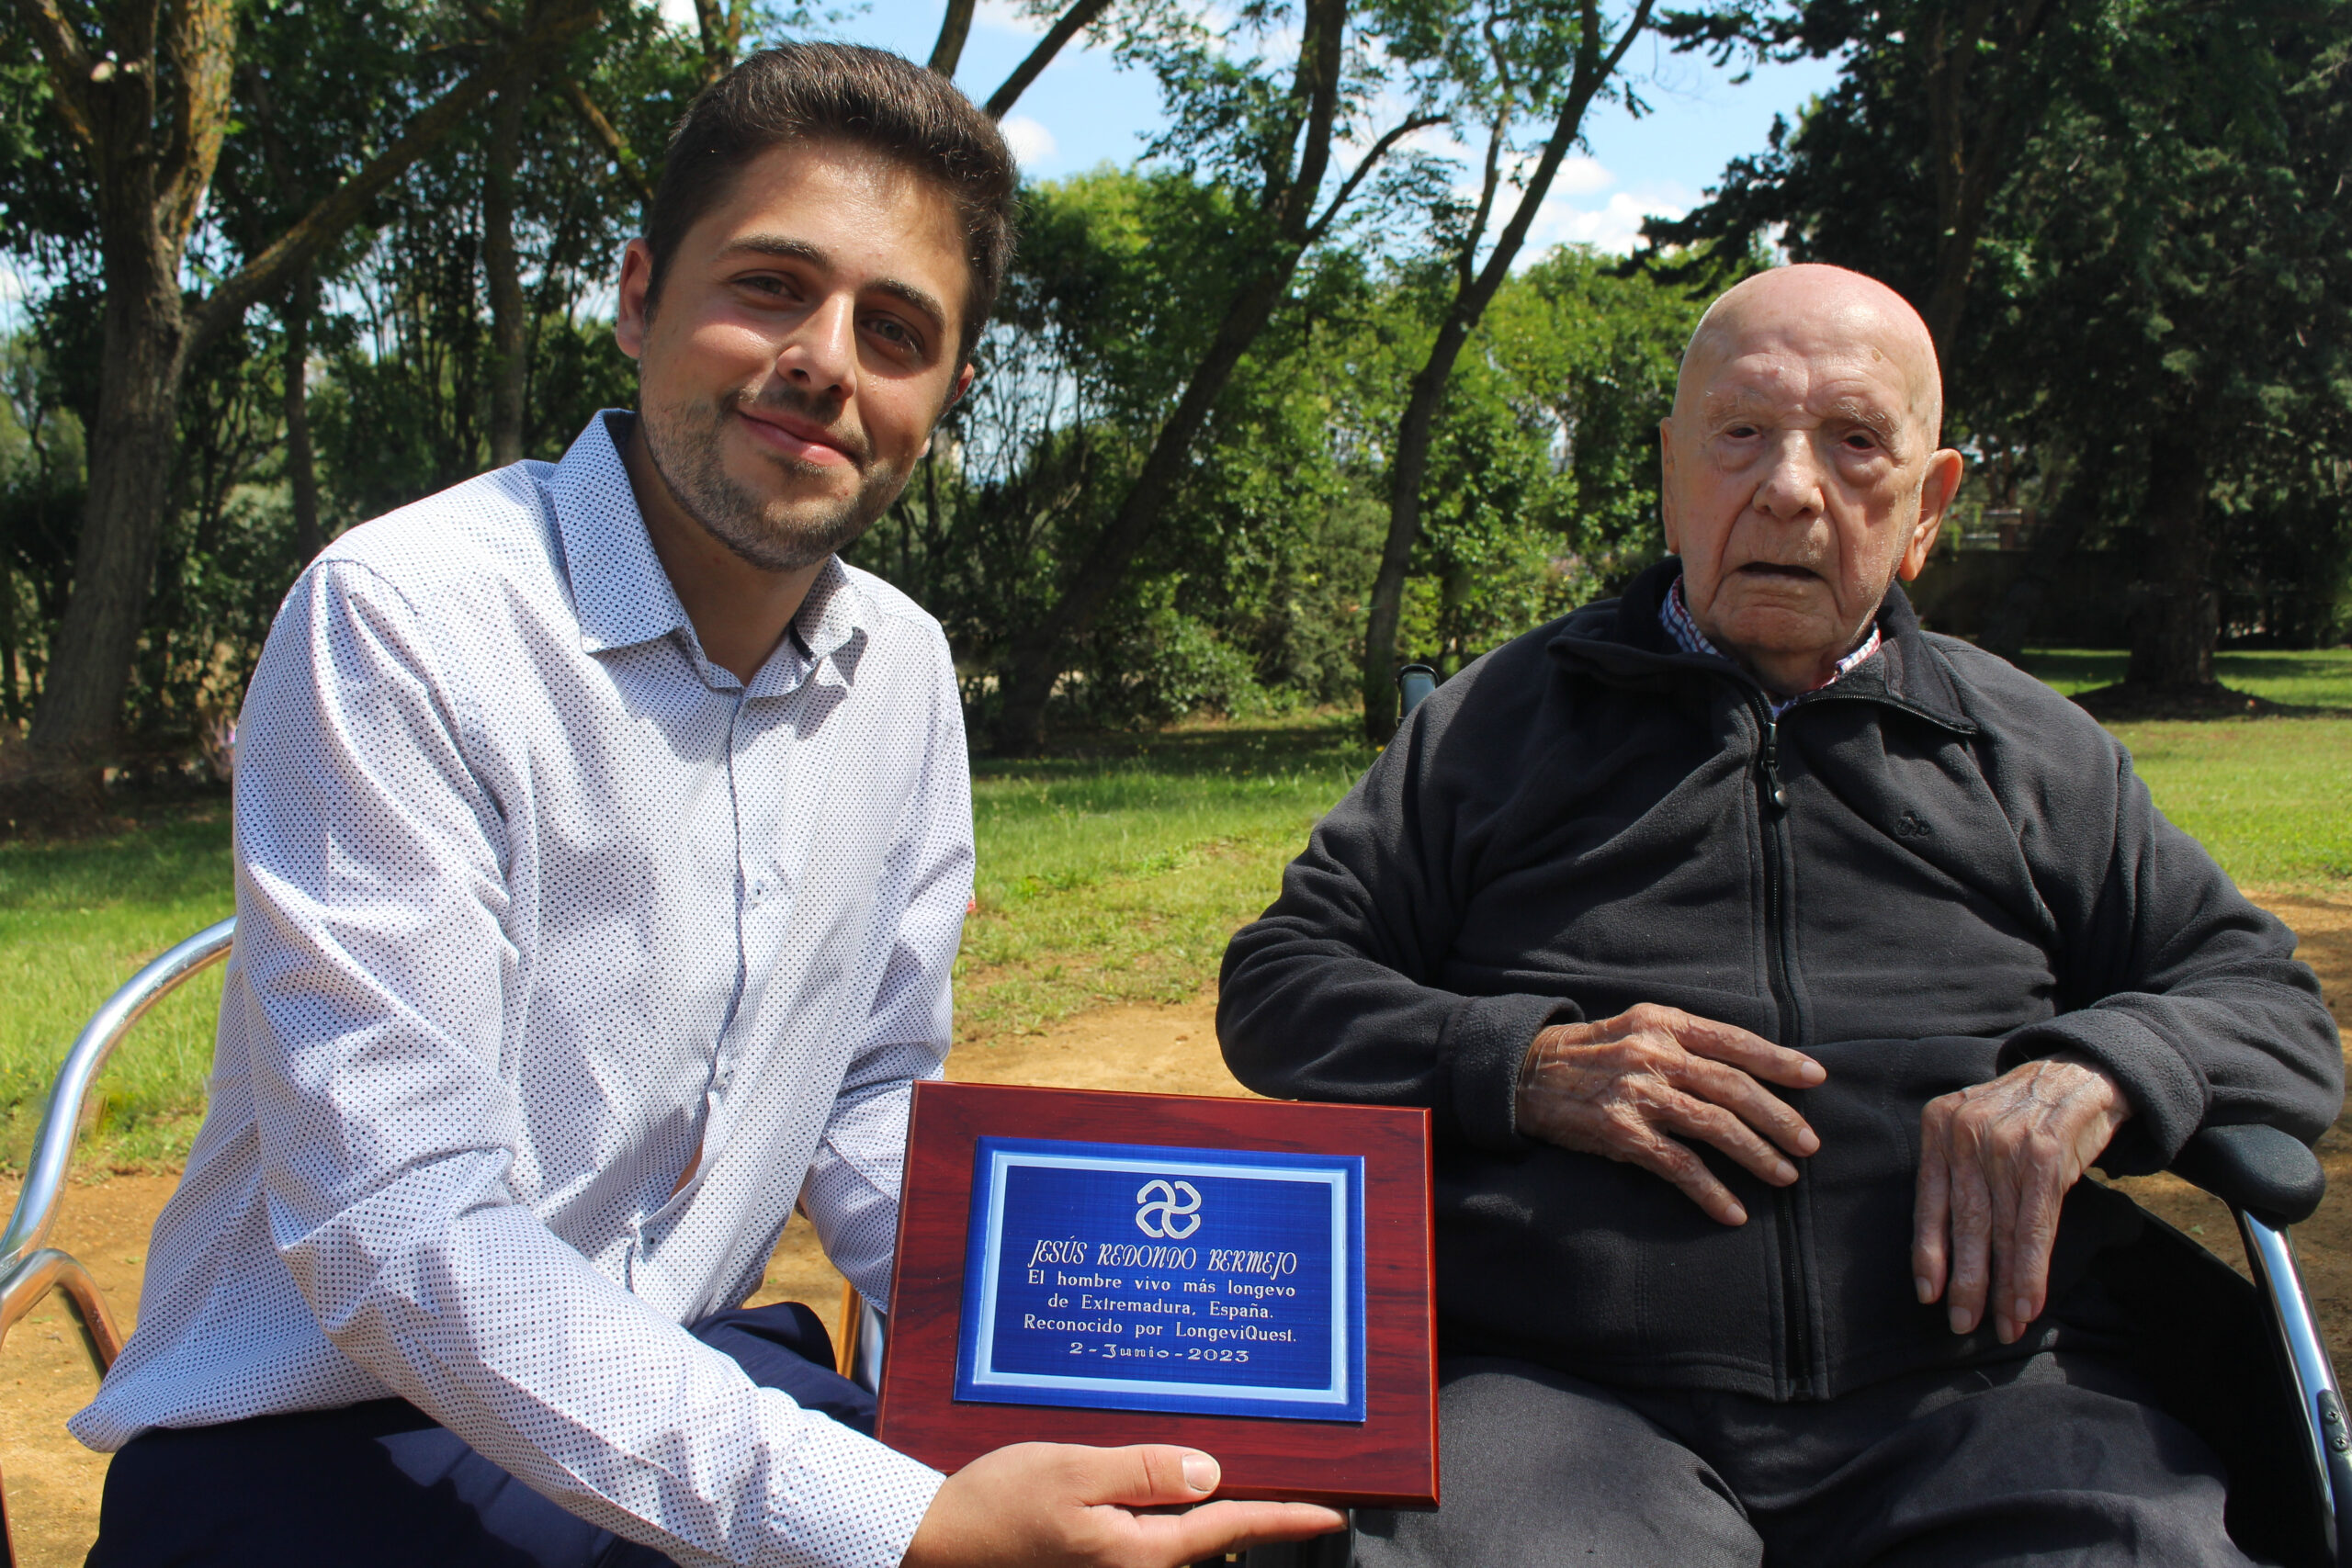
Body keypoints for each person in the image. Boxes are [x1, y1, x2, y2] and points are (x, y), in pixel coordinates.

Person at [79, 44, 1341, 1568]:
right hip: (325, 1445)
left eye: (896, 330)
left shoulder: (906, 672)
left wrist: (1111, 1345)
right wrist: (899, 1519)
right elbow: (398, 1233)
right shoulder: (409, 615)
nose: (824, 358)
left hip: (671, 1377)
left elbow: (874, 1091)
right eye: (770, 285)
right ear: (637, 298)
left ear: (938, 400)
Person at [1219, 263, 2342, 1566]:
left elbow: (2271, 1008)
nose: (1792, 488)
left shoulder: (2033, 751)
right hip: (1557, 1398)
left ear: (1929, 506)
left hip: (1991, 1400)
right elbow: (1281, 980)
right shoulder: (1497, 725)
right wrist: (1521, 1065)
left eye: (1856, 441)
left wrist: (2098, 1072)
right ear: (1671, 471)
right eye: (1740, 434)